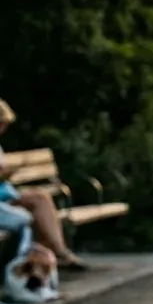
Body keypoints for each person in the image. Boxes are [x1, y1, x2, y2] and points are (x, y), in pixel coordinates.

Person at [0, 99, 89, 272]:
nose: (3, 129)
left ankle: (54, 254)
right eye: (1, 124)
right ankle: (58, 254)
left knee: (41, 198)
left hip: (5, 195)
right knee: (37, 202)